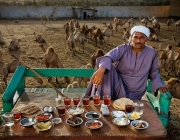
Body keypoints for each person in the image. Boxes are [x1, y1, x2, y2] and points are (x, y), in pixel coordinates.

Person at [85, 25, 168, 100]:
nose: (138, 40)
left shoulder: (151, 53)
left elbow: (154, 72)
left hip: (137, 91)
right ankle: (102, 102)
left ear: (146, 39)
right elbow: (108, 57)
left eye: (142, 37)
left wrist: (159, 83)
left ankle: (103, 102)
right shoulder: (123, 48)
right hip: (119, 86)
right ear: (131, 38)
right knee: (107, 68)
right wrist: (101, 69)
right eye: (136, 37)